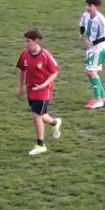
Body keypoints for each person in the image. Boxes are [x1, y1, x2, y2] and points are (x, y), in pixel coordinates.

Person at [15, 28, 62, 156]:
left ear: (37, 42)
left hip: (44, 90)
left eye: (28, 41)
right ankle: (55, 122)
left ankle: (40, 145)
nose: (26, 44)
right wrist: (20, 87)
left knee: (36, 116)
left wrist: (44, 85)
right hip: (31, 89)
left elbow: (54, 72)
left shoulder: (45, 55)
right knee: (40, 114)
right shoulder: (24, 54)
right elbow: (22, 71)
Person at [79, 0, 105, 110]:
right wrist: (81, 33)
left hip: (99, 48)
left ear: (96, 7)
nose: (87, 7)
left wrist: (94, 42)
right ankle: (104, 96)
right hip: (91, 48)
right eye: (86, 5)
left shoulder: (101, 20)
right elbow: (82, 24)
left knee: (91, 71)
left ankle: (98, 99)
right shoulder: (86, 15)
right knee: (88, 71)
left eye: (89, 5)